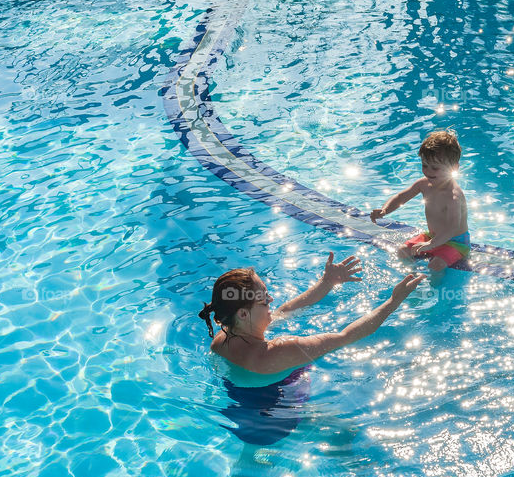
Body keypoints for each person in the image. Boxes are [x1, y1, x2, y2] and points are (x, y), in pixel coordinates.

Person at [198, 253, 425, 451]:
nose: (272, 300)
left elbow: (285, 310)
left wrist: (326, 283)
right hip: (279, 420)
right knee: (346, 432)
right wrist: (393, 301)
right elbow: (347, 336)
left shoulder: (221, 339)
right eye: (264, 300)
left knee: (253, 460)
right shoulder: (281, 351)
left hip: (244, 417)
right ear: (243, 314)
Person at [369, 129, 470, 276]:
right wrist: (385, 210)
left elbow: (452, 228)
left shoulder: (453, 196)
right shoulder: (423, 184)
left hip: (455, 242)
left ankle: (434, 287)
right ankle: (412, 279)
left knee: (436, 265)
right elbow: (401, 197)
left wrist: (430, 244)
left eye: (435, 168)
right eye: (424, 165)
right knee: (402, 251)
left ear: (454, 167)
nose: (428, 171)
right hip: (431, 236)